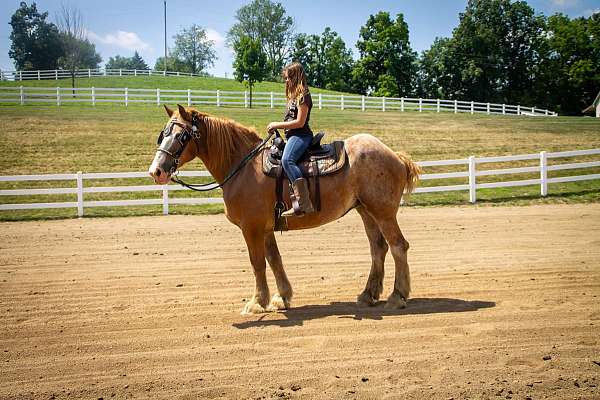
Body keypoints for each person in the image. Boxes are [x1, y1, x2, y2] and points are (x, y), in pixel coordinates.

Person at [267, 62, 315, 217]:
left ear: (296, 77)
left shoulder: (303, 96)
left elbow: (300, 122)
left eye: (288, 77)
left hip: (301, 135)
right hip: (293, 136)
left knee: (288, 160)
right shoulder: (293, 96)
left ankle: (303, 203)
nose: (286, 81)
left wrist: (277, 124)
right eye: (286, 78)